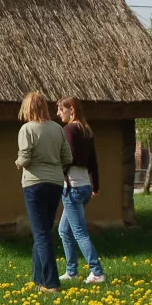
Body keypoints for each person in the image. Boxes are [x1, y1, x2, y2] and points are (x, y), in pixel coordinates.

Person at [15, 91, 73, 293]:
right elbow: (67, 156)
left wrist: (18, 163)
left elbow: (25, 156)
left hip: (34, 183)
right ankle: (38, 278)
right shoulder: (57, 128)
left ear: (28, 108)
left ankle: (50, 283)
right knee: (44, 232)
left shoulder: (27, 129)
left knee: (40, 234)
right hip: (55, 183)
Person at [57, 96, 105, 284]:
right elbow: (93, 161)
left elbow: (67, 157)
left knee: (79, 232)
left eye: (61, 109)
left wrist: (57, 173)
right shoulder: (87, 130)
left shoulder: (69, 130)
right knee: (64, 230)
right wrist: (96, 185)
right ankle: (71, 271)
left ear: (72, 110)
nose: (58, 113)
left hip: (72, 187)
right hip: (84, 186)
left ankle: (97, 272)